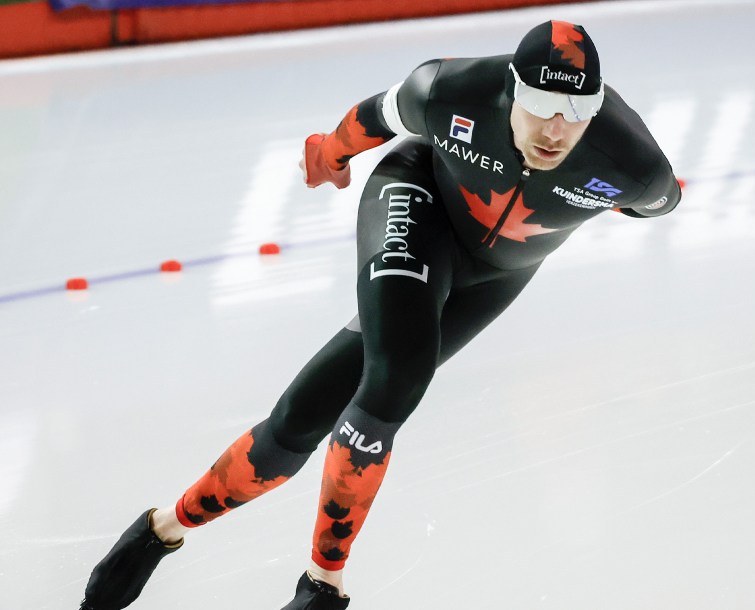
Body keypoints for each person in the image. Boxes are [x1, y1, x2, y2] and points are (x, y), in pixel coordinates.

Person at [79, 19, 681, 610]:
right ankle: (323, 585)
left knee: (297, 423)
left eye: (575, 113)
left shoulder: (636, 167)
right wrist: (329, 155)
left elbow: (655, 206)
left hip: (495, 277)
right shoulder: (449, 91)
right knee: (397, 374)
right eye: (541, 105)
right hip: (417, 199)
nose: (555, 129)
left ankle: (163, 528)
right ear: (510, 91)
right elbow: (371, 119)